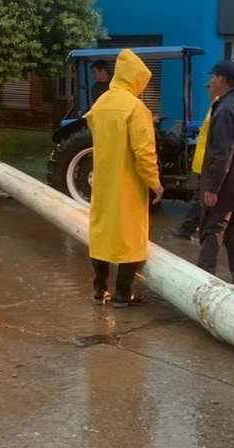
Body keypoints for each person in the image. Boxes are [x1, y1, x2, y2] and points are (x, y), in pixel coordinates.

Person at [86, 49, 164, 308]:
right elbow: (144, 152)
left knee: (102, 233)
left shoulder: (100, 104)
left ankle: (99, 291)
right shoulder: (136, 108)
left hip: (103, 181)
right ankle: (122, 294)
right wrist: (155, 182)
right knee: (130, 237)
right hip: (128, 183)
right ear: (136, 78)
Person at [196, 60, 234, 292]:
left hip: (224, 186)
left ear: (220, 79)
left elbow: (222, 153)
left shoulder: (225, 109)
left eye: (212, 78)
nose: (209, 83)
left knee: (212, 230)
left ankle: (203, 285)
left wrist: (212, 187)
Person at [171, 86, 216, 241]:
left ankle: (187, 230)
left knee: (200, 198)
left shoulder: (218, 108)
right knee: (202, 198)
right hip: (203, 160)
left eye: (210, 88)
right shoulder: (215, 107)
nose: (208, 91)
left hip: (206, 161)